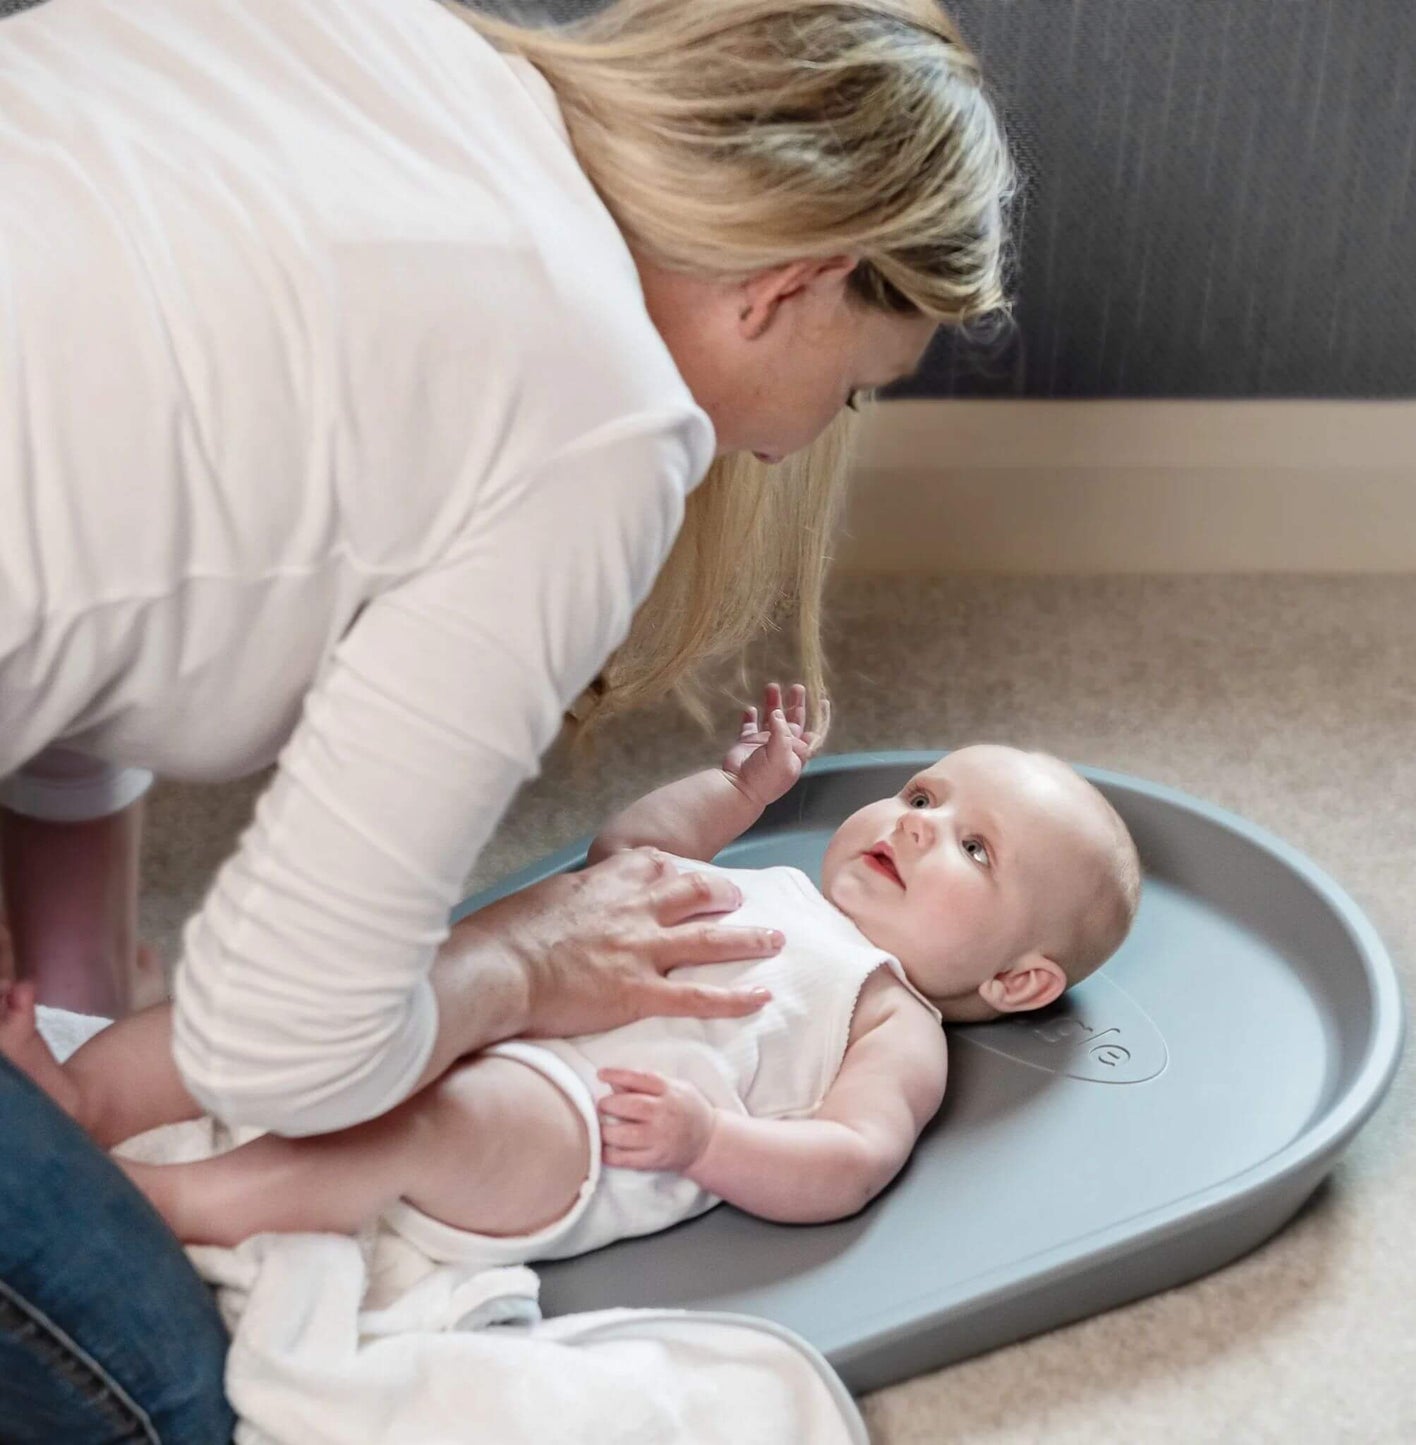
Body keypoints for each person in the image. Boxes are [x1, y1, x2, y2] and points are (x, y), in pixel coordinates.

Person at [0, 0, 1017, 1435]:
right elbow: (278, 1054)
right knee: (168, 1391)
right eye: (849, 391)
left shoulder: (400, 52)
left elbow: (122, 516)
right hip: (448, 1094)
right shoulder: (600, 421)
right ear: (791, 285)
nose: (801, 440)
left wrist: (78, 967)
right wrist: (522, 958)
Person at [1, 683, 1140, 1274]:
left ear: (1021, 976)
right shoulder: (775, 881)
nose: (919, 823)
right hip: (504, 1009)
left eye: (974, 849)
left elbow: (849, 1161)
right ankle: (87, 1093)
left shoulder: (890, 1015)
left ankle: (180, 1206)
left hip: (573, 1131)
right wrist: (734, 794)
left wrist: (708, 1141)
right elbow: (621, 862)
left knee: (418, 1111)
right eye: (925, 795)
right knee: (260, 1013)